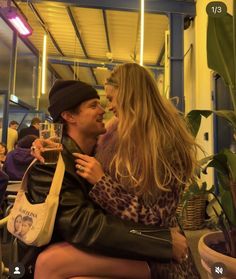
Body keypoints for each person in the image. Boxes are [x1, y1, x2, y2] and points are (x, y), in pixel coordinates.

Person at [22, 79, 187, 279]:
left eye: (104, 102)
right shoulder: (51, 160)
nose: (104, 109)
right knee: (50, 262)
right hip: (81, 248)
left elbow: (151, 212)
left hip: (132, 248)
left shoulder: (109, 152)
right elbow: (82, 224)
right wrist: (163, 242)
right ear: (68, 116)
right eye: (94, 105)